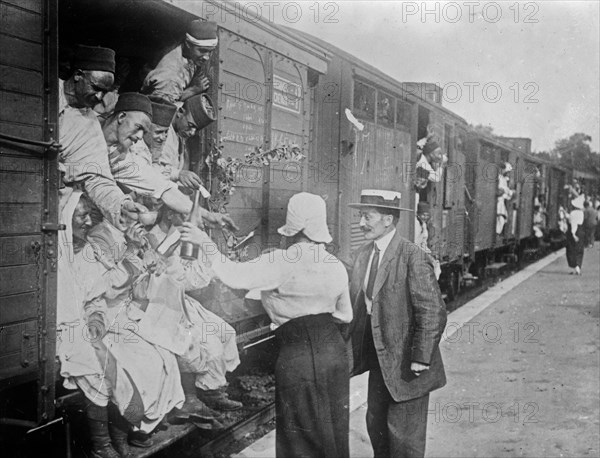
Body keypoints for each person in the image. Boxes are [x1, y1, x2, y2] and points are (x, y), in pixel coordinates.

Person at [181, 192, 353, 458]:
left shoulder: (281, 260)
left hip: (298, 355)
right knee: (332, 433)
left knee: (300, 438)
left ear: (292, 225)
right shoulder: (336, 265)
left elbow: (233, 275)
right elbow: (345, 316)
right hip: (335, 354)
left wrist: (204, 241)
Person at [57, 191, 185, 458]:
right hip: (70, 327)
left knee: (153, 355)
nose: (88, 222)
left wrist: (97, 315)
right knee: (107, 365)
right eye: (81, 216)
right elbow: (86, 297)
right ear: (66, 219)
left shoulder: (90, 247)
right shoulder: (63, 256)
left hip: (99, 319)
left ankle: (126, 432)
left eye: (89, 216)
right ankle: (103, 445)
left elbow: (103, 292)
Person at [345, 189, 447, 458]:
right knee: (376, 426)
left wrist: (421, 358)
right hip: (379, 360)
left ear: (388, 220)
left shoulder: (412, 255)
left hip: (408, 363)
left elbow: (433, 310)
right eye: (360, 216)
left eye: (368, 217)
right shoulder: (363, 255)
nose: (361, 223)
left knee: (403, 440)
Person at [147, 205, 242, 417]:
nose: (192, 219)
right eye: (184, 213)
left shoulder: (179, 235)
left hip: (180, 299)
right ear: (170, 214)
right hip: (161, 303)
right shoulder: (156, 239)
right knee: (211, 344)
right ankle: (204, 394)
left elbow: (192, 277)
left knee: (226, 333)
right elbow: (186, 280)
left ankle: (212, 390)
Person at [59, 44, 145, 228]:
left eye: (105, 92)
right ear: (78, 75)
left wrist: (121, 205)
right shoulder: (39, 90)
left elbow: (98, 178)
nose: (99, 97)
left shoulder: (89, 125)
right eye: (96, 87)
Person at [141, 20, 218, 103]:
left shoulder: (187, 51)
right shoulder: (171, 75)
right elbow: (162, 108)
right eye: (202, 50)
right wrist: (192, 90)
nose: (207, 57)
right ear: (188, 44)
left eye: (210, 51)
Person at [154, 93, 214, 190]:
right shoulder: (161, 131)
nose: (192, 133)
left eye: (196, 129)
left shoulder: (179, 131)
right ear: (180, 112)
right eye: (190, 125)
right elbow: (152, 168)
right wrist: (178, 174)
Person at [414, 201, 441, 279]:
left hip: (423, 250)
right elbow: (416, 242)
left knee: (436, 263)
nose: (425, 217)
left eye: (427, 215)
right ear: (418, 214)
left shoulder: (424, 224)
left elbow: (424, 242)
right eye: (423, 215)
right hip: (417, 251)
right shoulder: (416, 224)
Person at [566, 194, 586, 275]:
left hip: (574, 232)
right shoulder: (581, 213)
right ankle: (578, 267)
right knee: (579, 250)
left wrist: (573, 234)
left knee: (571, 249)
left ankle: (575, 266)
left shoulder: (573, 213)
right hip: (581, 232)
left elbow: (573, 223)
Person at [496, 162, 514, 235]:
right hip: (498, 202)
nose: (508, 173)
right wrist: (508, 191)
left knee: (503, 218)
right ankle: (497, 233)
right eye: (507, 172)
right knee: (500, 218)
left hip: (501, 202)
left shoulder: (504, 179)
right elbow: (500, 190)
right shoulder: (499, 177)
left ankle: (498, 232)